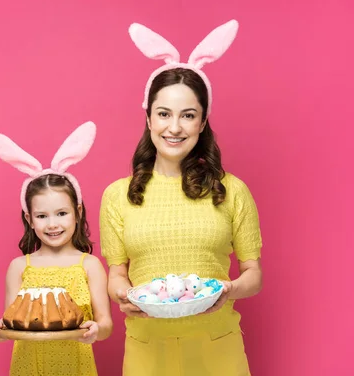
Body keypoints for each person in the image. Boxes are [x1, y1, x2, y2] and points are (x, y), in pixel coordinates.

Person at [100, 20, 263, 375]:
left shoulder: (231, 189)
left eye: (188, 115)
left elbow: (253, 274)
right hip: (147, 352)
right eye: (164, 114)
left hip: (218, 349)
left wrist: (229, 289)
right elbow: (116, 273)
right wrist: (122, 295)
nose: (174, 128)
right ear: (148, 118)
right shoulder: (117, 195)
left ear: (202, 122)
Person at [0, 121, 113, 376]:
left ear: (77, 213)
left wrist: (97, 331)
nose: (52, 224)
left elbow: (106, 323)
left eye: (62, 213)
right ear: (29, 219)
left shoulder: (89, 265)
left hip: (75, 366)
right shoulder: (19, 267)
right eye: (42, 216)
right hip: (28, 367)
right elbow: (13, 322)